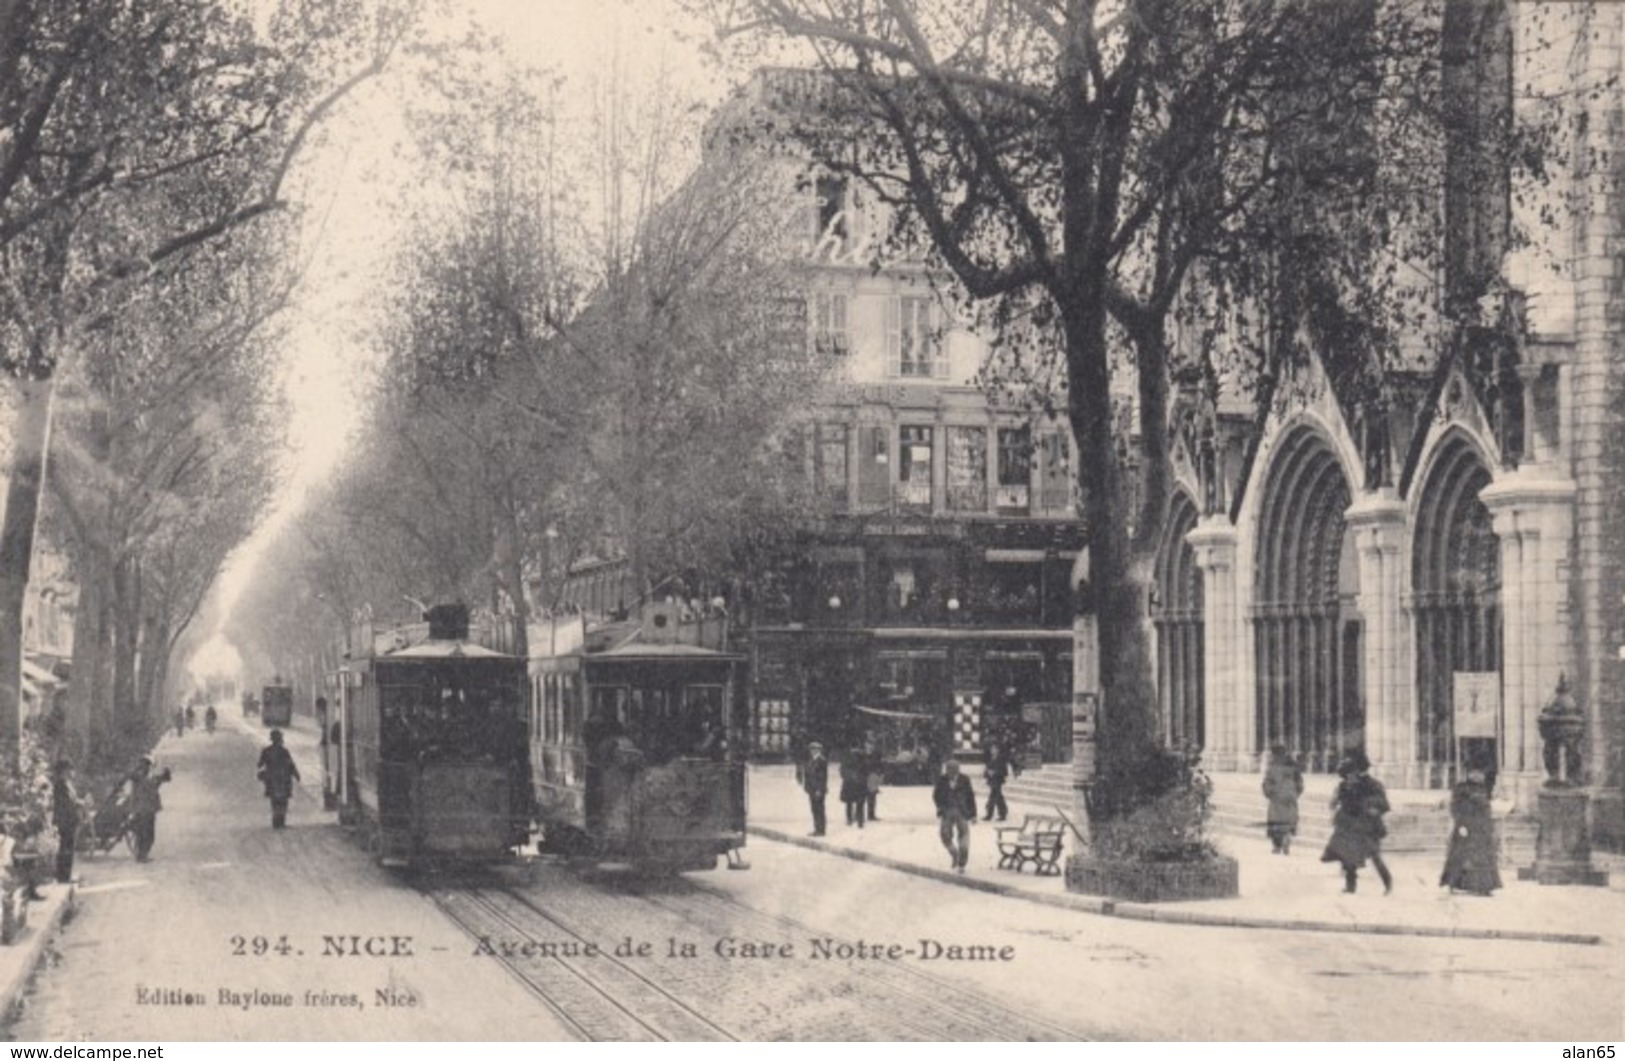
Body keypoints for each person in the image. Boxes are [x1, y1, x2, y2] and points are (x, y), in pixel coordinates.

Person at [1320, 751, 1392, 894]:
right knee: (1349, 855)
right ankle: (1352, 885)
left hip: (1366, 825)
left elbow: (1383, 805)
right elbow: (1333, 802)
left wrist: (1371, 808)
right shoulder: (1345, 785)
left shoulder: (1371, 785)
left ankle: (1386, 882)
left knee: (1373, 854)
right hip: (1352, 824)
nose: (1352, 776)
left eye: (1354, 771)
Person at [1440, 769, 1501, 896]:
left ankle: (1484, 886)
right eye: (1477, 773)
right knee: (1460, 857)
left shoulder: (1482, 789)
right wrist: (1461, 824)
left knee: (1483, 858)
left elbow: (1485, 809)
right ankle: (1454, 882)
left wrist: (1490, 827)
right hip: (1467, 828)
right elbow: (1456, 807)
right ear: (1470, 774)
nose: (1480, 776)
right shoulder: (1462, 789)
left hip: (1481, 829)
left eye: (1481, 773)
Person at [933, 760, 977, 873]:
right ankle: (954, 853)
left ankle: (962, 861)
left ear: (957, 770)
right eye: (948, 771)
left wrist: (973, 814)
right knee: (945, 834)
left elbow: (970, 796)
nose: (950, 774)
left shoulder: (964, 779)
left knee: (964, 835)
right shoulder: (942, 780)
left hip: (961, 811)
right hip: (947, 811)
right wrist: (940, 807)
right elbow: (936, 795)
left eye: (953, 771)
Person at [126, 756, 172, 863]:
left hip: (146, 810)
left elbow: (166, 779)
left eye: (146, 766)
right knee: (146, 834)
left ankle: (142, 855)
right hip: (144, 810)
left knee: (146, 834)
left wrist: (165, 773)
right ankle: (141, 855)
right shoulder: (140, 778)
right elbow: (162, 779)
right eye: (145, 766)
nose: (145, 768)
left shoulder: (147, 778)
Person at [1261, 743, 1303, 854]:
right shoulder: (1293, 765)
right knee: (1289, 820)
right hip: (1290, 796)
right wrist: (1295, 793)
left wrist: (1269, 793)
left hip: (1277, 797)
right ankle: (1287, 836)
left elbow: (1267, 782)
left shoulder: (1273, 766)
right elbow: (1300, 783)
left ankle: (1277, 845)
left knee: (1275, 821)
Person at [257, 729, 300, 829]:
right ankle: (281, 822)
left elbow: (259, 764)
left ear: (272, 739)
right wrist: (296, 775)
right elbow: (291, 765)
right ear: (280, 739)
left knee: (274, 801)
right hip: (284, 779)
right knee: (283, 802)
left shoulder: (266, 751)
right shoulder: (284, 751)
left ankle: (276, 821)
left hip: (271, 780)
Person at [50, 759, 79, 884]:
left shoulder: (67, 784)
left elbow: (72, 800)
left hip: (70, 820)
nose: (70, 772)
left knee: (68, 848)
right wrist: (79, 803)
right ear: (62, 771)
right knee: (65, 848)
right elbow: (66, 803)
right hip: (65, 820)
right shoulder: (60, 785)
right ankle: (63, 876)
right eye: (67, 769)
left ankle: (66, 875)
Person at [803, 741, 829, 837]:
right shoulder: (811, 760)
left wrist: (819, 789)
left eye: (814, 750)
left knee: (819, 809)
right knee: (814, 809)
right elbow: (808, 775)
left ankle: (821, 829)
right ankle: (816, 828)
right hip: (811, 789)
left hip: (818, 789)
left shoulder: (822, 761)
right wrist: (807, 787)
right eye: (811, 750)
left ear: (818, 750)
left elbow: (823, 777)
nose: (812, 751)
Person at [983, 740, 1012, 822]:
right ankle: (1000, 813)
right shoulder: (990, 759)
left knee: (994, 797)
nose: (992, 750)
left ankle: (992, 813)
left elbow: (1004, 771)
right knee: (997, 796)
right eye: (992, 749)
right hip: (992, 780)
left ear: (998, 750)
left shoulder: (1001, 759)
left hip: (998, 780)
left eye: (994, 749)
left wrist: (995, 773)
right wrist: (988, 773)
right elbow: (986, 769)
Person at [839, 747, 867, 828]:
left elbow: (842, 771)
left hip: (851, 784)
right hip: (857, 784)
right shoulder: (862, 759)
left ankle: (851, 819)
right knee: (858, 803)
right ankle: (858, 820)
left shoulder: (847, 758)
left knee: (850, 802)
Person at [863, 735, 883, 822]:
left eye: (871, 744)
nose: (870, 746)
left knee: (872, 797)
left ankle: (871, 814)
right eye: (868, 744)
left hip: (872, 777)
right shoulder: (862, 754)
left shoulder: (876, 754)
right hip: (863, 776)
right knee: (860, 797)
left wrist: (879, 774)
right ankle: (858, 814)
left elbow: (879, 765)